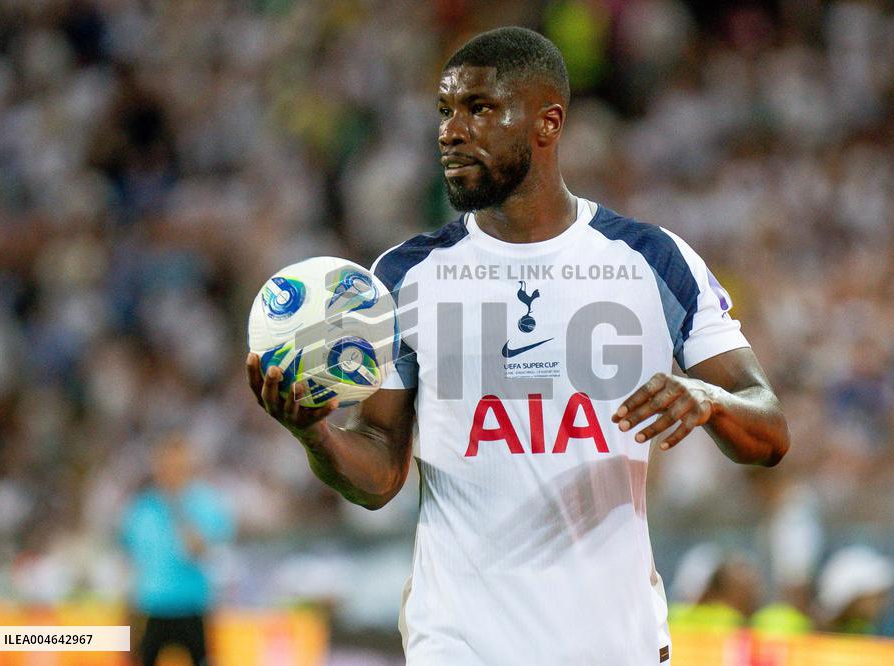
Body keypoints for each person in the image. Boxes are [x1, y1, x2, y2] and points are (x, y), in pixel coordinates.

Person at [246, 26, 789, 665]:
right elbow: (381, 475)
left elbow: (770, 430)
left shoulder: (651, 260)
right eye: (445, 111)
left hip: (616, 645)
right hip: (460, 644)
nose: (451, 131)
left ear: (547, 123)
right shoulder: (403, 279)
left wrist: (709, 399)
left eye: (479, 109)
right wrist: (317, 434)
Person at [120, 435, 235, 666]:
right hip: (151, 606)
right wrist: (128, 612)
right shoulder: (142, 508)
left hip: (192, 605)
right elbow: (131, 563)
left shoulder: (205, 502)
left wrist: (177, 507)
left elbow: (200, 552)